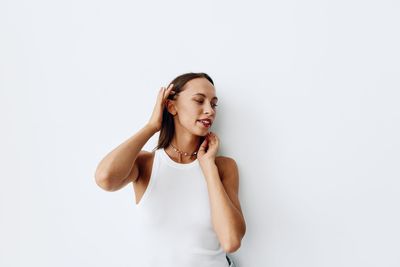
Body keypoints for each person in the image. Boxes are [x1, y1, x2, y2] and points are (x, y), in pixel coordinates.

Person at [94, 72, 246, 267]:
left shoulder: (223, 167)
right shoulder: (145, 164)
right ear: (171, 106)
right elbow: (105, 178)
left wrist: (208, 167)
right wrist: (151, 126)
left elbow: (231, 241)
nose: (210, 110)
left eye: (213, 104)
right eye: (199, 101)